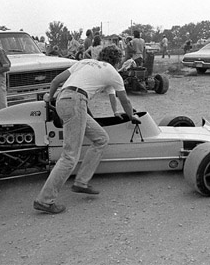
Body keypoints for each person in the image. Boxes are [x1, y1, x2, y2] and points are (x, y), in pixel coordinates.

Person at [33, 45, 141, 214]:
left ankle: (81, 182)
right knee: (69, 156)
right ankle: (45, 200)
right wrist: (131, 116)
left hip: (63, 99)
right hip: (77, 102)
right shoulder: (113, 72)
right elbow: (124, 100)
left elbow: (55, 81)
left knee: (101, 139)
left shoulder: (84, 62)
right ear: (118, 60)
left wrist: (50, 99)